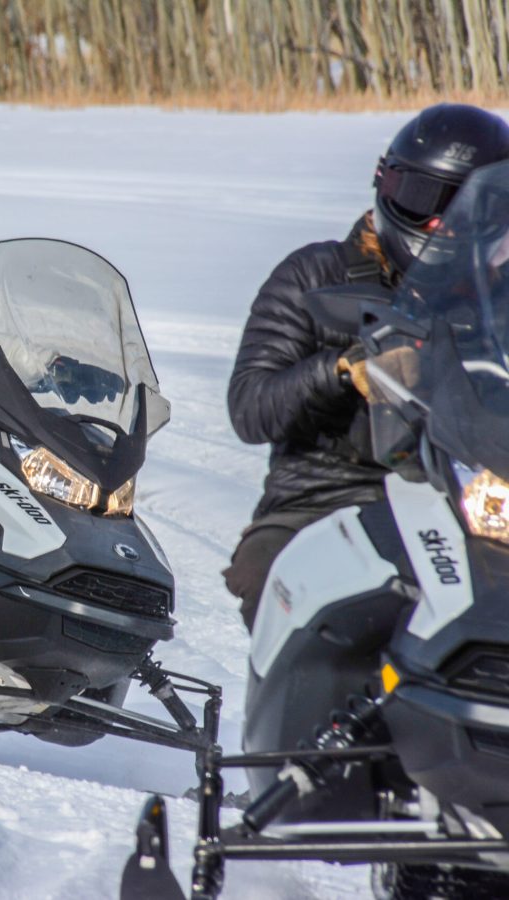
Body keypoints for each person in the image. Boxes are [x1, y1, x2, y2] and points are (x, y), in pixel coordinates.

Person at [223, 103, 509, 631]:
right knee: (276, 579)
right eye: (426, 199)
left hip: (467, 505)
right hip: (326, 500)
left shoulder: (497, 299)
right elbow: (250, 406)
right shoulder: (314, 275)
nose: (443, 223)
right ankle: (301, 708)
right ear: (388, 186)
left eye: (472, 207)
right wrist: (339, 370)